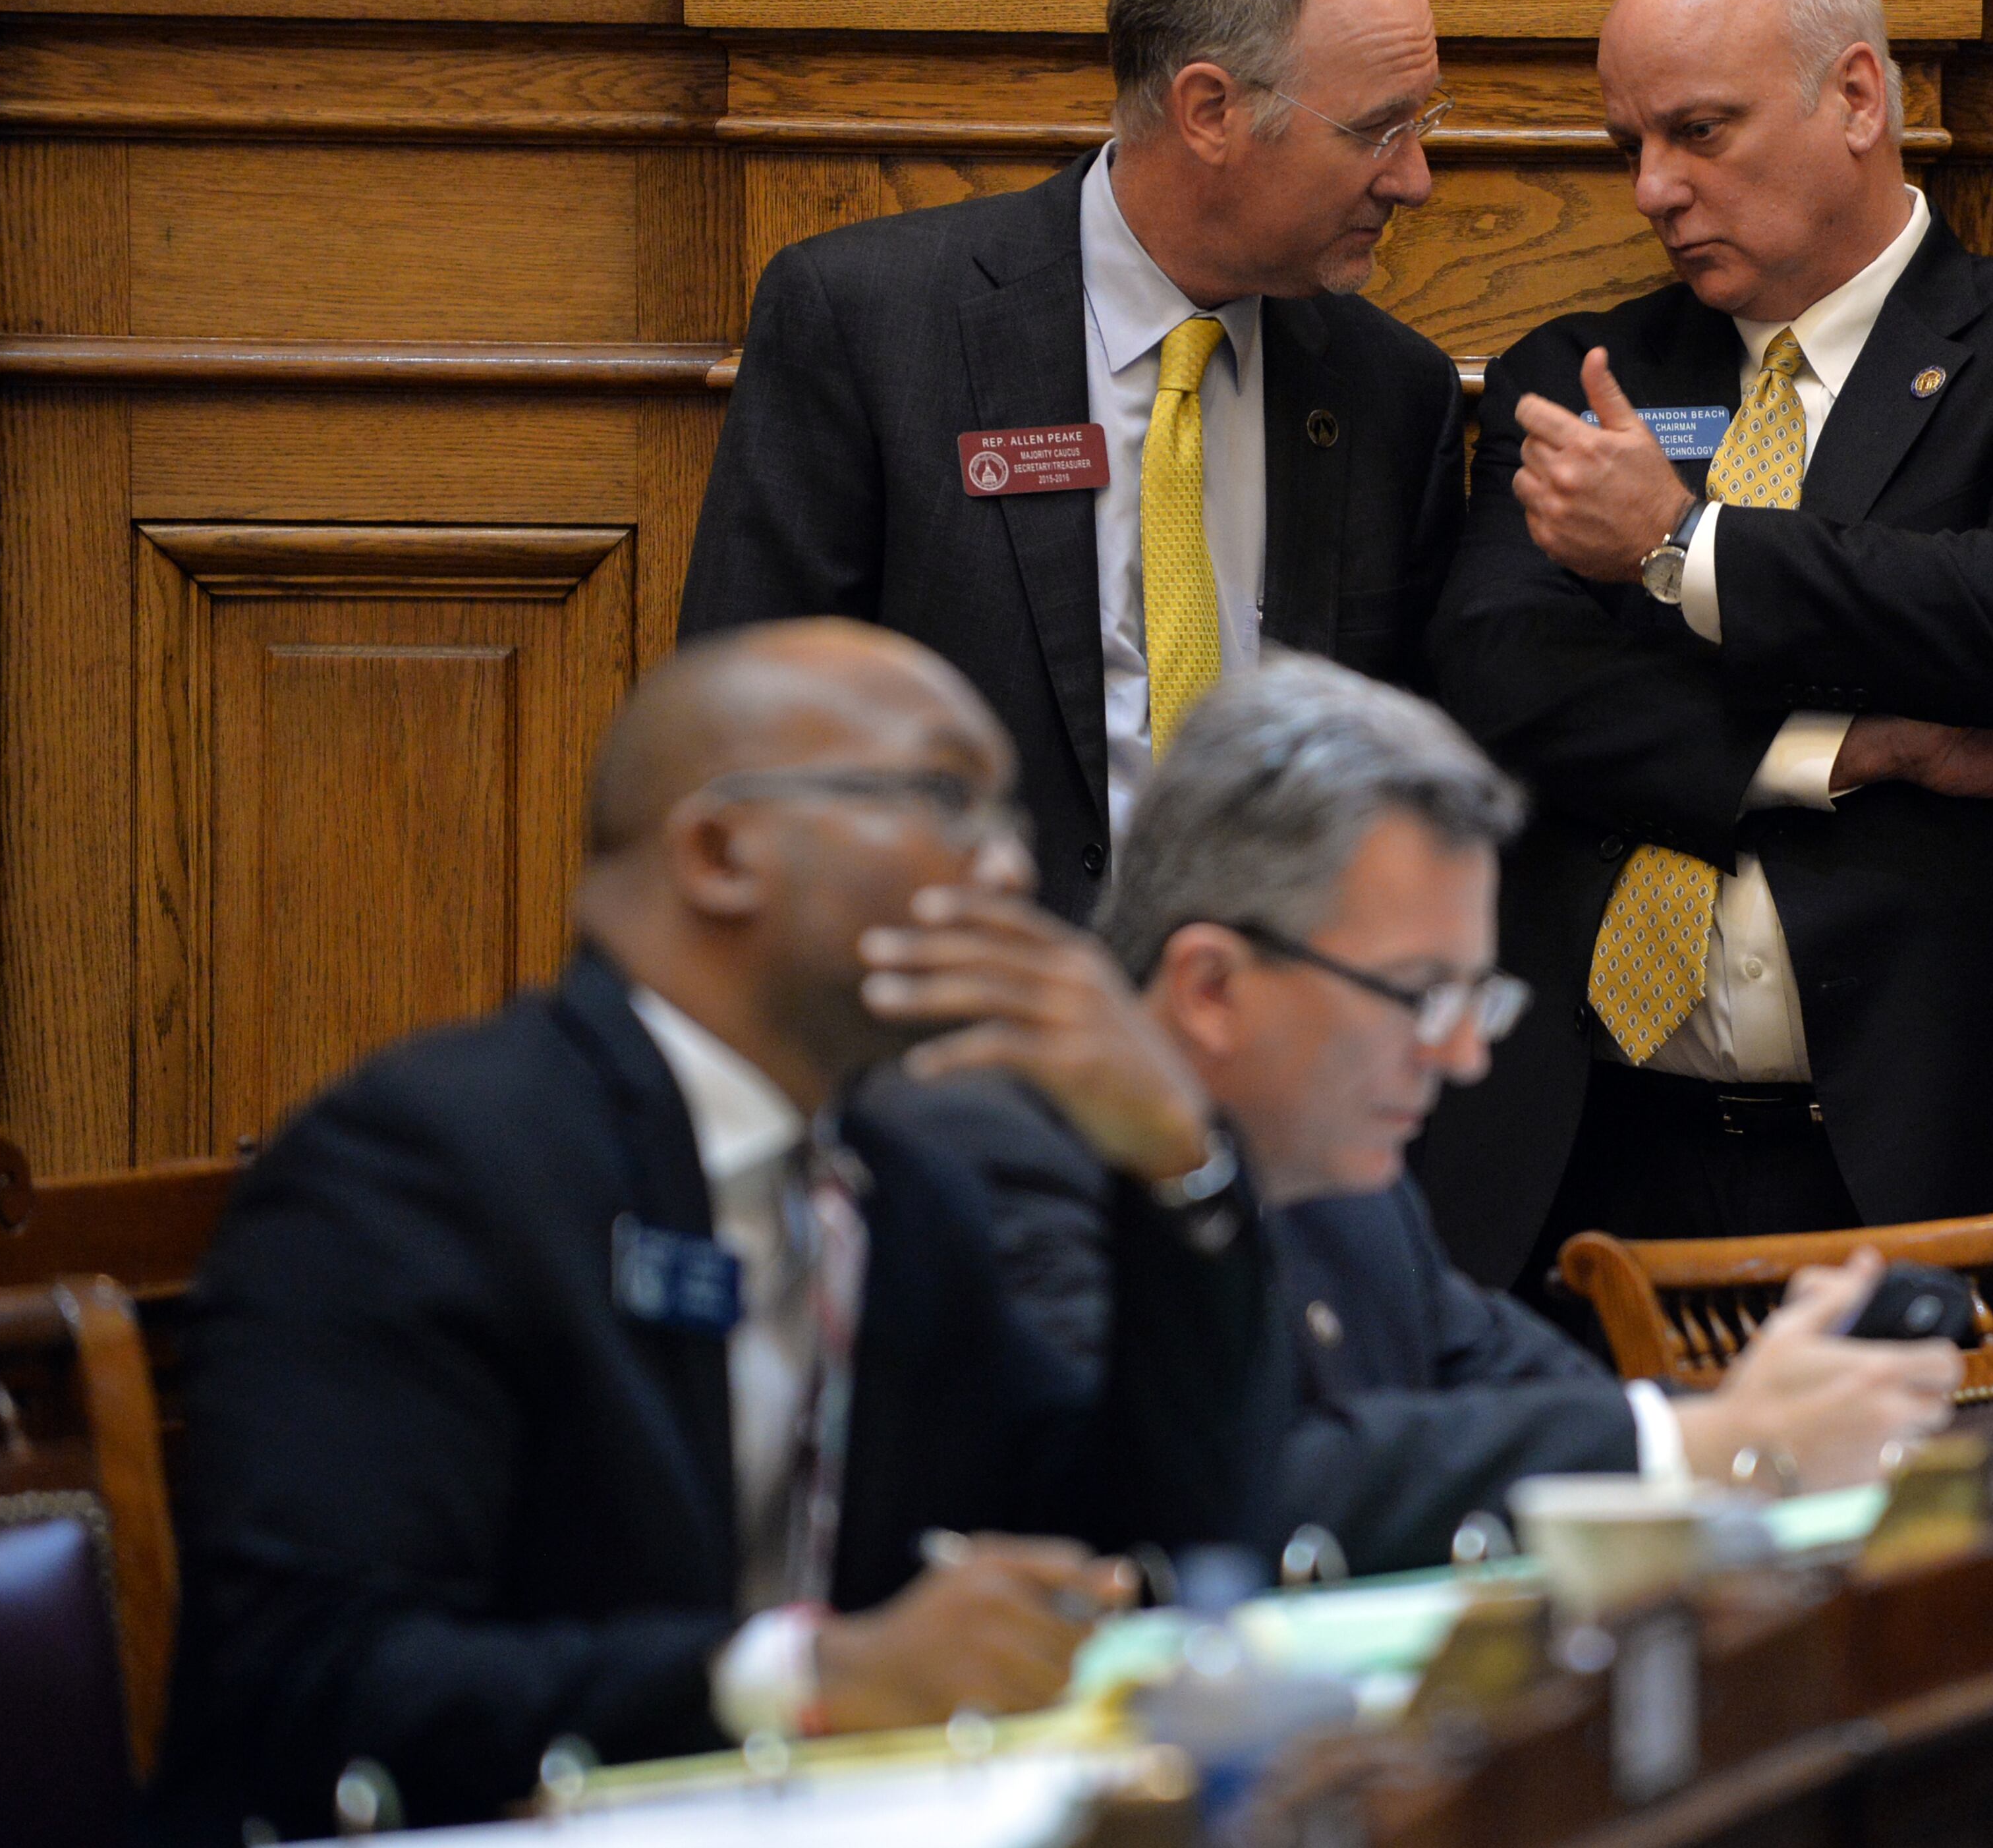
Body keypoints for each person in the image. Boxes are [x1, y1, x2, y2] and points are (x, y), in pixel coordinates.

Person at [151, 621, 1281, 1842]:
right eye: (948, 797)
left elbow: (1165, 1540)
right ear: (721, 850)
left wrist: (1179, 1165)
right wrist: (803, 1678)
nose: (1008, 875)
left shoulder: (901, 1194)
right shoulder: (423, 1164)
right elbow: (314, 1681)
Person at [1418, 0, 1993, 1343]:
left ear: (1858, 99)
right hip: (1603, 1159)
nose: (1654, 190)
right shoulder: (1584, 376)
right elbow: (1503, 678)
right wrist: (1832, 749)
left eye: (1700, 131)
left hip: (1965, 1138)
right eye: (1631, 142)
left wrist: (1680, 550)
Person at [875, 656, 1961, 1576]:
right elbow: (1206, 1503)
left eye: (1475, 995)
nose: (1465, 1053)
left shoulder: (1354, 1186)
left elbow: (1538, 1408)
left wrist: (1774, 1398)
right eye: (1419, 994)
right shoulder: (995, 1148)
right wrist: (1708, 1442)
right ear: (1211, 985)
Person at [679, 0, 1463, 922]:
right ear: (1210, 111)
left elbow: (1402, 780)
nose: (1414, 178)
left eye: (1421, 124)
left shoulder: (1389, 391)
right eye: (1375, 131)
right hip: (951, 1036)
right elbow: (745, 731)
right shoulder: (872, 324)